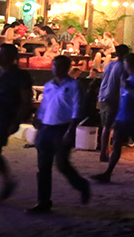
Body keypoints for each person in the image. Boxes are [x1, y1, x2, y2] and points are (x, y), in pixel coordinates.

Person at [28, 55, 91, 213]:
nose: (56, 68)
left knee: (62, 164)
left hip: (63, 127)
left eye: (60, 65)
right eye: (55, 65)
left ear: (67, 67)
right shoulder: (49, 85)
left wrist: (71, 129)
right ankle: (43, 201)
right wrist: (38, 120)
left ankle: (82, 185)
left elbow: (78, 108)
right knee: (43, 166)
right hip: (47, 127)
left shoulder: (74, 85)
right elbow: (44, 105)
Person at [93, 53, 134, 183]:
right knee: (117, 144)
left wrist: (127, 86)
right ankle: (108, 172)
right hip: (122, 117)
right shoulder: (127, 78)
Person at [0, 44, 32, 200]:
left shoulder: (19, 75)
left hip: (6, 116)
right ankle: (7, 181)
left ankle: (8, 181)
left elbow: (26, 100)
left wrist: (17, 120)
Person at [97, 44, 129, 162]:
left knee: (105, 126)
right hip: (113, 98)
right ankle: (108, 152)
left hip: (102, 96)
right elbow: (123, 85)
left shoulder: (110, 64)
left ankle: (104, 151)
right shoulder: (123, 67)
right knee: (112, 126)